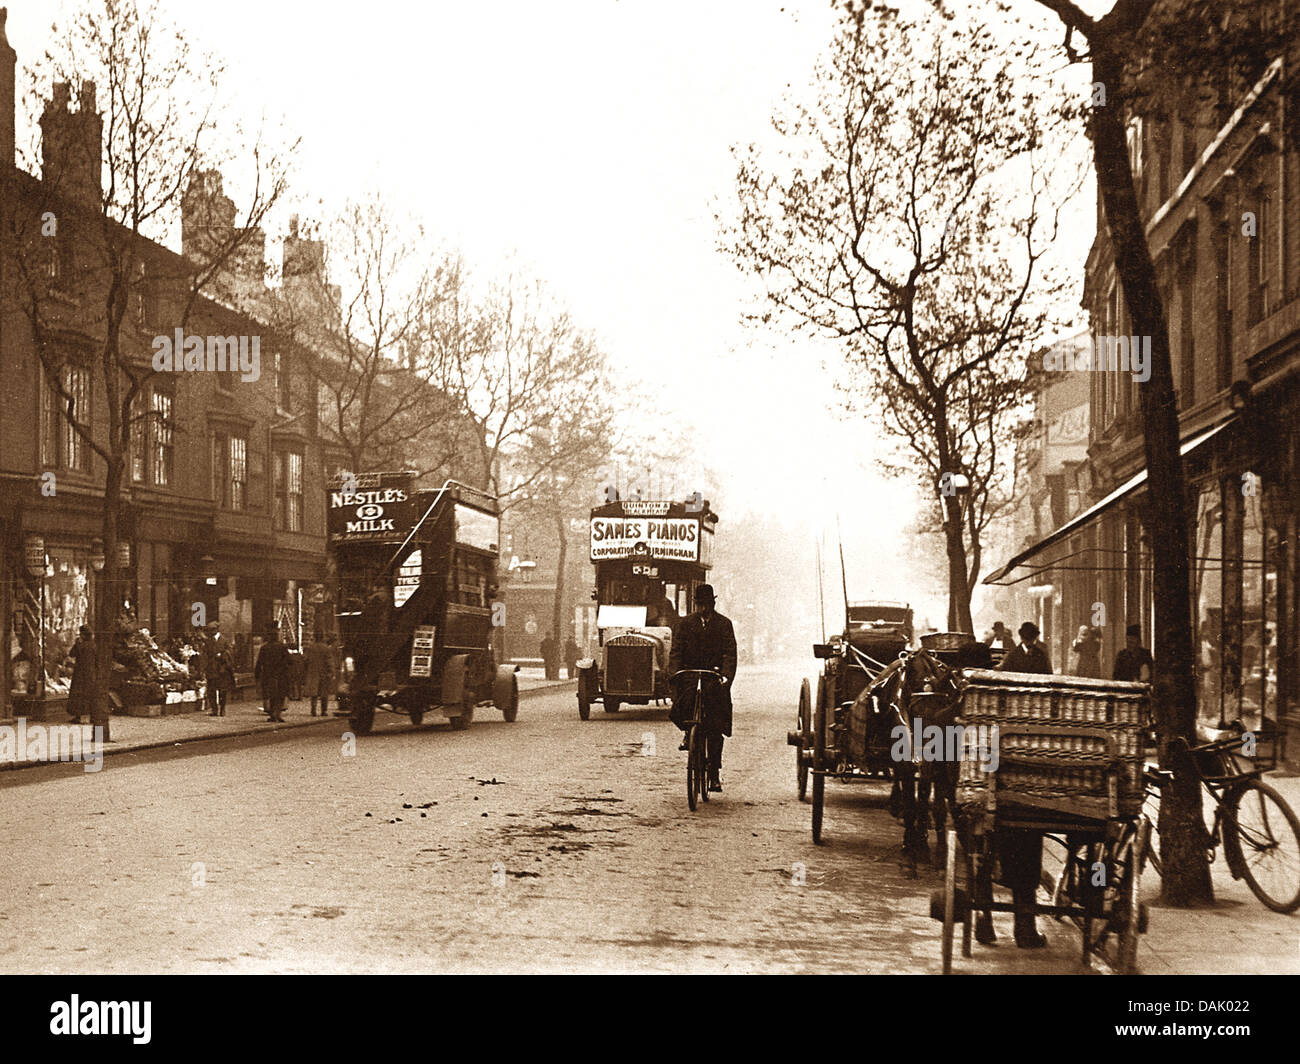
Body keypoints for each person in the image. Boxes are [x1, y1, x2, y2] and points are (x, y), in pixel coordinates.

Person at [988, 619, 1052, 948]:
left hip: (1032, 723)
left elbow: (1049, 684)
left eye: (1031, 637)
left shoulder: (1039, 657)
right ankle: (1022, 925)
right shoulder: (1013, 657)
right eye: (1029, 637)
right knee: (1024, 855)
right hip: (1014, 722)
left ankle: (1013, 922)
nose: (1031, 641)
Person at [668, 584, 738, 792]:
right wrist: (675, 672)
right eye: (699, 604)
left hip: (713, 677)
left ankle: (714, 773)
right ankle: (687, 731)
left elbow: (730, 653)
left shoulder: (724, 624)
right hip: (689, 674)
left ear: (712, 604)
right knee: (682, 703)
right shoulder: (684, 624)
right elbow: (676, 651)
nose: (702, 609)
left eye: (705, 605)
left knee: (716, 727)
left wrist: (726, 676)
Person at [255, 628, 293, 722]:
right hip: (281, 675)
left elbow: (259, 662)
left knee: (271, 695)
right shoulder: (282, 647)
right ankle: (277, 714)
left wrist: (257, 674)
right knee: (280, 695)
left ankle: (272, 714)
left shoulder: (264, 647)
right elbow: (289, 661)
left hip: (268, 675)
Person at [202, 621, 236, 717]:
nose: (210, 632)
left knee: (222, 690)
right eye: (209, 630)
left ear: (216, 630)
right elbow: (205, 655)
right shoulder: (208, 641)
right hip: (211, 669)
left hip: (222, 669)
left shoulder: (224, 640)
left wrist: (222, 655)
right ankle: (214, 709)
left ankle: (222, 709)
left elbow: (230, 653)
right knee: (211, 691)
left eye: (212, 630)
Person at [66, 625, 96, 724]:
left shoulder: (80, 645)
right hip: (91, 672)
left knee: (78, 694)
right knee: (89, 694)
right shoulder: (94, 645)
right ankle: (91, 715)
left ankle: (78, 716)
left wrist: (77, 643)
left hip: (80, 672)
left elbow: (72, 654)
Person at [304, 633, 335, 717]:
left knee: (314, 693)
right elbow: (329, 661)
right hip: (324, 673)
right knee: (324, 694)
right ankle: (323, 711)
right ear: (322, 638)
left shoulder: (311, 648)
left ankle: (313, 710)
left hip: (313, 672)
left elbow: (306, 660)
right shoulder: (326, 648)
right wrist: (331, 672)